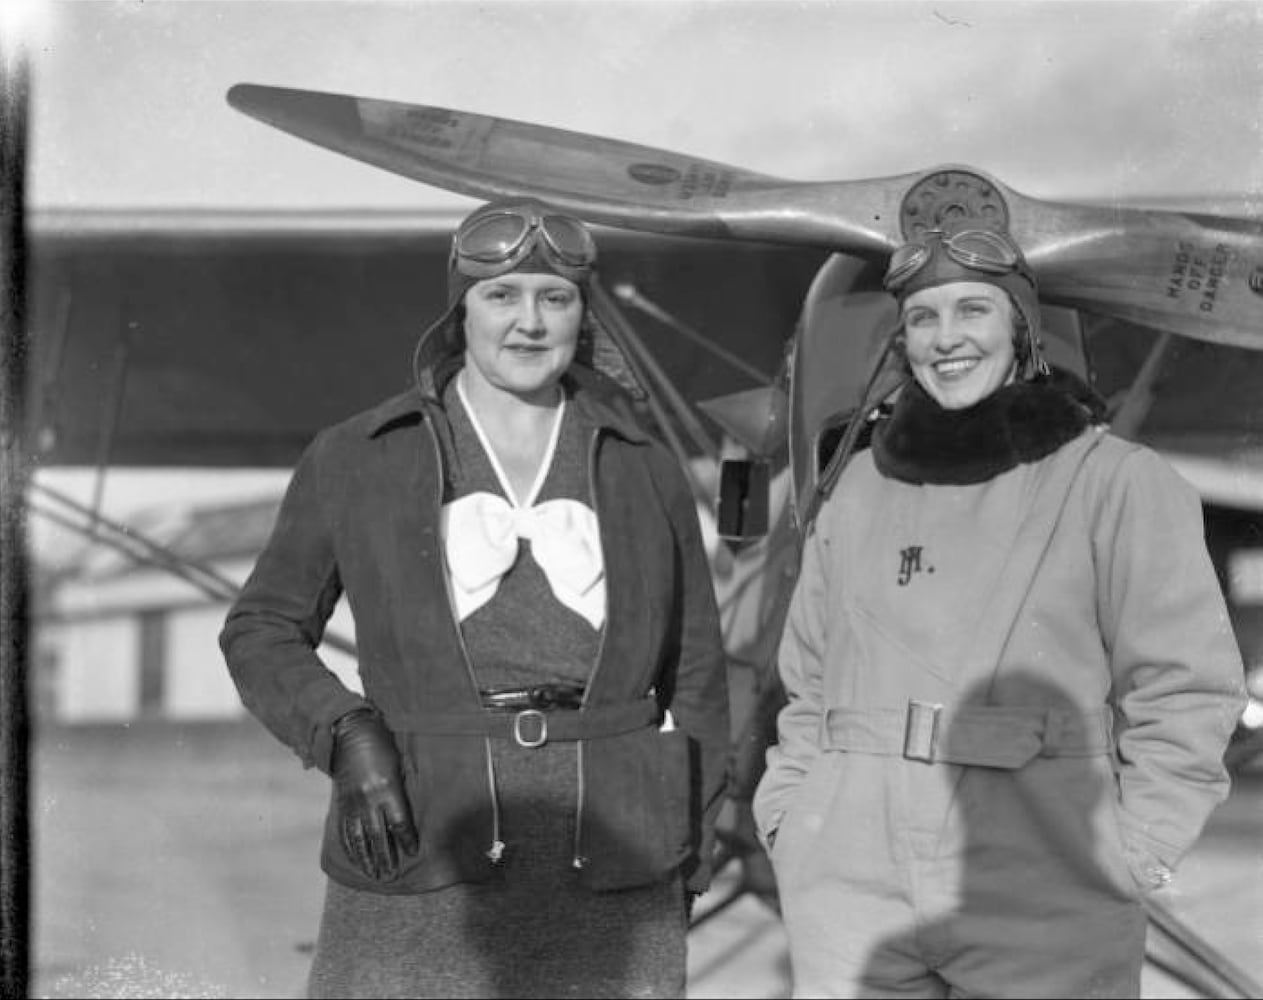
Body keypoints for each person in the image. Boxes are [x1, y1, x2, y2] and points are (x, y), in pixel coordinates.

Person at [219, 197, 731, 999]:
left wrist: (688, 846)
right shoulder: (357, 455)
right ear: (461, 312)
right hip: (422, 830)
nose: (528, 322)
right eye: (501, 295)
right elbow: (261, 629)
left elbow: (696, 672)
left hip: (618, 851)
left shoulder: (645, 467)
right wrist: (345, 733)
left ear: (580, 314)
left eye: (554, 298)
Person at [752, 227, 1247, 998]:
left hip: (1044, 876)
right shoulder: (854, 491)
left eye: (972, 310)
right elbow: (807, 683)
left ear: (1019, 327)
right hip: (849, 878)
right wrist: (790, 818)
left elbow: (1184, 689)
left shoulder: (1116, 483)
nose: (945, 339)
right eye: (922, 317)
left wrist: (1135, 851)